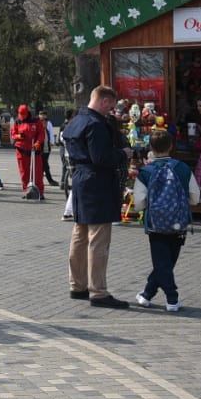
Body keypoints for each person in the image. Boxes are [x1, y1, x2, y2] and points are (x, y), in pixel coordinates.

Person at [63, 86, 130, 309]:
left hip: (80, 179)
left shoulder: (75, 120)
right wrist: (123, 154)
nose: (112, 111)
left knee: (80, 233)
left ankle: (77, 285)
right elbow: (101, 157)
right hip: (97, 181)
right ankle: (98, 291)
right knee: (99, 238)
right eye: (111, 106)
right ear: (103, 101)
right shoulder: (96, 125)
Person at [132, 130, 200, 312]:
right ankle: (147, 294)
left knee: (162, 263)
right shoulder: (183, 168)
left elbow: (138, 203)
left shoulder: (146, 172)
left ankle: (171, 298)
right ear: (171, 146)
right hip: (178, 223)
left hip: (155, 224)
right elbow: (195, 197)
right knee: (167, 262)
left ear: (151, 148)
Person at [11, 104, 46, 199]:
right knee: (24, 173)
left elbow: (41, 133)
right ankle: (26, 191)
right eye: (20, 115)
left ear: (28, 113)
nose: (22, 117)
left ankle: (40, 192)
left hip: (35, 150)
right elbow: (13, 134)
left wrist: (38, 143)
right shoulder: (17, 121)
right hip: (21, 150)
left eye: (23, 115)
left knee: (38, 173)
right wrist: (19, 136)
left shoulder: (36, 121)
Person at [38, 112, 60, 187]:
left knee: (44, 166)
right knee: (45, 166)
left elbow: (50, 135)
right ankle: (49, 180)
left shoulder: (46, 129)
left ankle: (39, 180)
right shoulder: (38, 130)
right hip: (40, 151)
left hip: (46, 150)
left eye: (46, 119)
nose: (45, 121)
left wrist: (51, 143)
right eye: (42, 120)